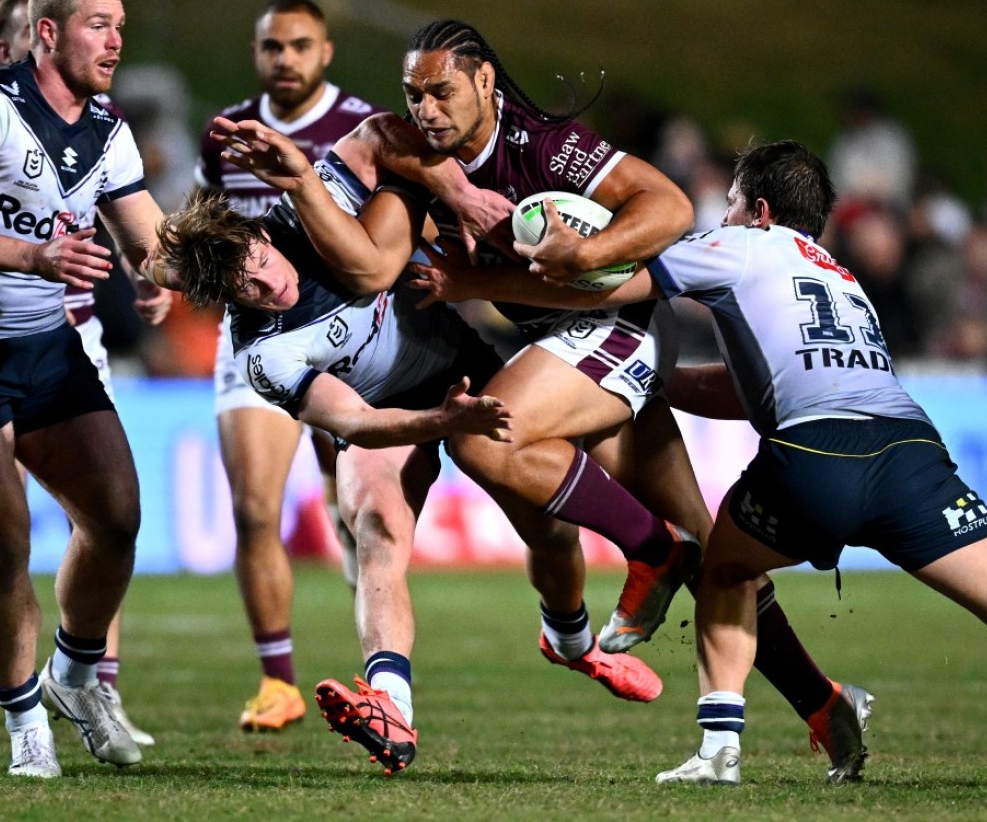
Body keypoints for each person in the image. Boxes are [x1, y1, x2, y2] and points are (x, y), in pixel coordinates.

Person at [411, 138, 987, 784]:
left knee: (721, 568)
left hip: (817, 454)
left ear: (756, 209)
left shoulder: (737, 248)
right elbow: (753, 386)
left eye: (728, 202)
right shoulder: (844, 279)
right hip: (909, 451)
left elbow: (603, 291)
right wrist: (659, 382)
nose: (718, 216)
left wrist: (474, 282)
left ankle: (719, 749)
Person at [354, 18, 874, 783]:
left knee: (483, 437)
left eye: (440, 91)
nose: (424, 108)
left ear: (485, 83)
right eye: (414, 93)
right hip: (569, 349)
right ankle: (826, 704)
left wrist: (583, 253)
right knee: (717, 559)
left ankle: (652, 553)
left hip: (611, 328)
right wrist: (448, 190)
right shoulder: (427, 151)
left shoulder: (543, 147)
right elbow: (375, 136)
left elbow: (664, 207)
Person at [188, 113, 666, 775]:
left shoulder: (308, 216)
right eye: (248, 287)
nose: (270, 283)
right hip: (391, 417)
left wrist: (463, 198)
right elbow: (352, 423)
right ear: (227, 300)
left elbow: (382, 134)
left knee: (551, 534)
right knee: (377, 526)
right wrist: (444, 422)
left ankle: (572, 641)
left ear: (262, 236)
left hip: (466, 372)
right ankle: (389, 706)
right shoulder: (265, 354)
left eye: (261, 262)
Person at [0, 0, 173, 777]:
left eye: (121, 24)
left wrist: (183, 266)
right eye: (99, 22)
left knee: (117, 519)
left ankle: (76, 671)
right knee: (5, 537)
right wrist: (36, 255)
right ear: (49, 34)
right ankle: (26, 722)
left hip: (47, 348)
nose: (116, 38)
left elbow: (147, 236)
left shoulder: (107, 126)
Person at [193, 0, 388, 733]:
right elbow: (206, 229)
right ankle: (277, 682)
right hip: (252, 340)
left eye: (300, 45)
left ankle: (382, 677)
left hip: (345, 334)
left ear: (326, 52)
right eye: (272, 46)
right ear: (256, 52)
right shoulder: (224, 134)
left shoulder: (361, 127)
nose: (286, 59)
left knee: (357, 515)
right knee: (251, 509)